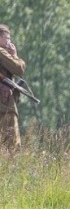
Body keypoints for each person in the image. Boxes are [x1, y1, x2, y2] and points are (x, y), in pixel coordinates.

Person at [0, 24, 26, 152]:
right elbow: (18, 69)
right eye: (7, 38)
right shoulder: (1, 51)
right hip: (4, 105)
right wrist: (15, 55)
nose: (9, 42)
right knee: (12, 144)